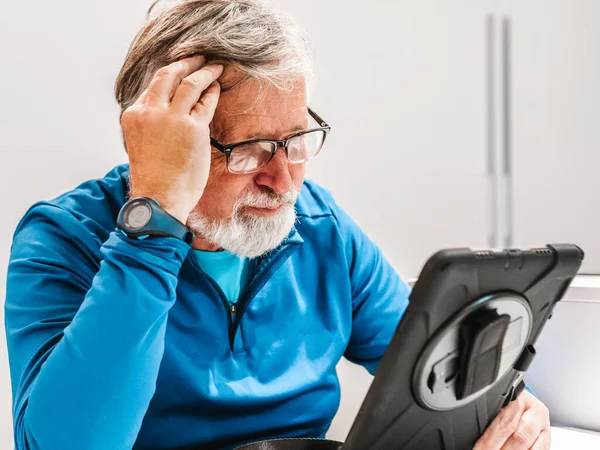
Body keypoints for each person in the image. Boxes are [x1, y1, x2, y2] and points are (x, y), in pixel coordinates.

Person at [4, 0, 550, 449]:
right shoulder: (62, 238)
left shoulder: (321, 227)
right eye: (249, 150)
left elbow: (436, 369)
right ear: (158, 144)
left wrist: (509, 413)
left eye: (296, 142)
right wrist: (154, 222)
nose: (283, 180)